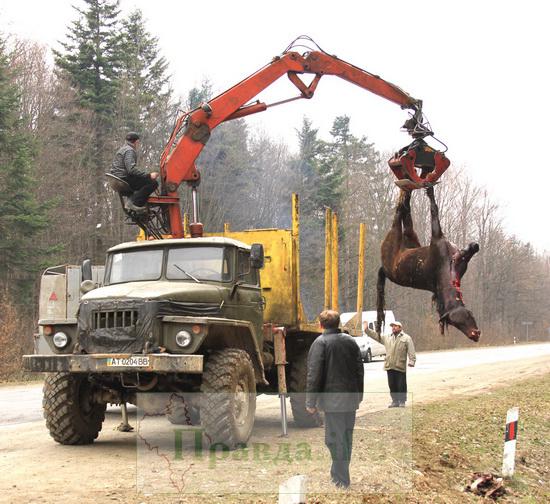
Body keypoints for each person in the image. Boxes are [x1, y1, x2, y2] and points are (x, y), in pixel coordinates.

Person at [306, 310, 364, 488]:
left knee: (334, 439)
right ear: (338, 323)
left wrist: (310, 402)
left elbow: (313, 375)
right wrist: (359, 395)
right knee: (345, 438)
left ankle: (341, 480)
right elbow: (359, 370)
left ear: (321, 324)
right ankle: (338, 474)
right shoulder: (350, 341)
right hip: (350, 399)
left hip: (333, 402)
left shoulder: (320, 342)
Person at [364, 320, 415, 407]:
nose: (393, 327)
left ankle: (402, 401)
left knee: (401, 384)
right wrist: (367, 330)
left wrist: (412, 360)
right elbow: (376, 336)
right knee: (392, 385)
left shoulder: (406, 338)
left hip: (400, 365)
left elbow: (411, 350)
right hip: (389, 365)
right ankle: (395, 401)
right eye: (392, 326)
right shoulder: (387, 337)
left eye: (395, 326)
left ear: (400, 327)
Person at [111, 132, 159, 213]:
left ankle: (135, 203)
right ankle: (134, 203)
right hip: (123, 179)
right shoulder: (129, 150)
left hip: (117, 179)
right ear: (136, 142)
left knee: (142, 182)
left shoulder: (123, 149)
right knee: (153, 183)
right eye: (138, 143)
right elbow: (131, 169)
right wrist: (148, 175)